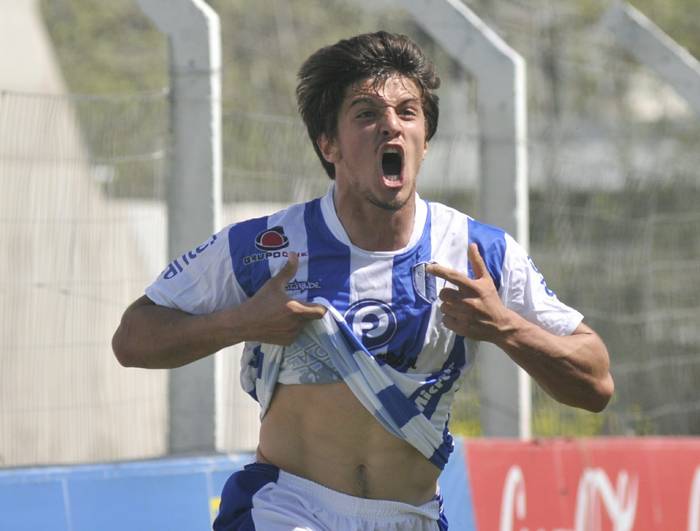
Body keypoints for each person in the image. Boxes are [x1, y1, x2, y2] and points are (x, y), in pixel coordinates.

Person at [112, 31, 613, 531]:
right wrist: (242, 322)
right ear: (328, 143)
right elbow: (133, 338)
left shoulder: (479, 252)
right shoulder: (266, 246)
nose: (390, 126)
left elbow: (596, 382)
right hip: (287, 509)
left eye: (407, 112)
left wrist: (505, 326)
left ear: (425, 141)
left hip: (407, 516)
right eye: (367, 114)